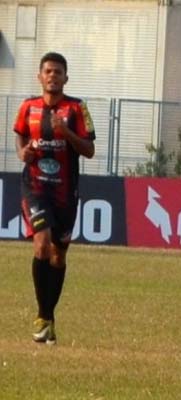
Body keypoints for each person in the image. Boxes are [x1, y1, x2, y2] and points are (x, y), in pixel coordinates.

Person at [14, 52, 96, 344]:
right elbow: (21, 138)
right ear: (40, 76)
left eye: (58, 72)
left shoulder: (77, 108)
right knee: (43, 243)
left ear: (65, 78)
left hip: (65, 192)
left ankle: (47, 317)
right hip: (35, 187)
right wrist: (22, 152)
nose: (53, 76)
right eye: (48, 71)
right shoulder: (27, 107)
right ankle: (42, 316)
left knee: (59, 255)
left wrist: (67, 133)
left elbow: (89, 150)